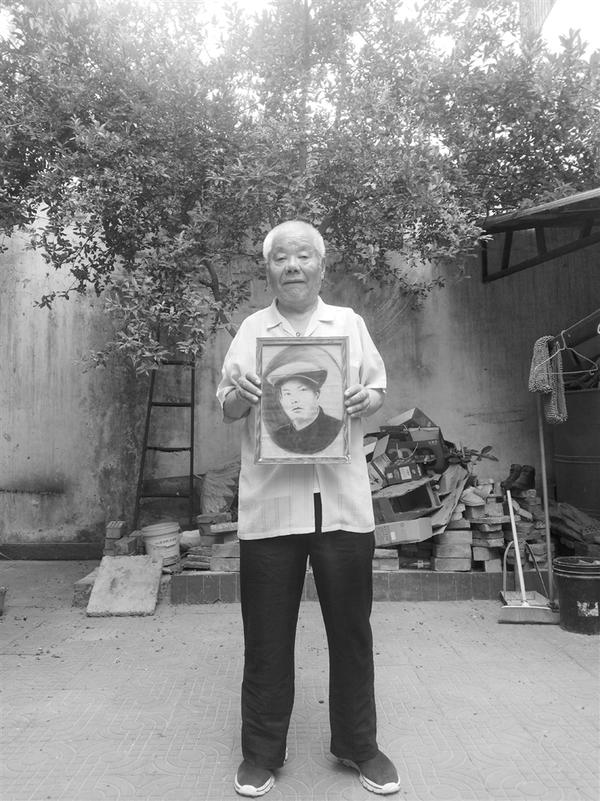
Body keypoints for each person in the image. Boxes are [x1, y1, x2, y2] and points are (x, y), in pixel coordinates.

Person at [216, 220, 400, 797]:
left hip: (342, 507)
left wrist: (365, 398)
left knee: (351, 632)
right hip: (272, 509)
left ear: (321, 266)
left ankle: (358, 745)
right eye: (281, 258)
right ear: (268, 269)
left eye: (303, 256)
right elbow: (227, 405)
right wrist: (239, 397)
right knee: (266, 636)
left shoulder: (347, 324)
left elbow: (376, 390)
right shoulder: (253, 330)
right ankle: (262, 751)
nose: (292, 266)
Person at [265, 355, 342, 454]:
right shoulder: (278, 437)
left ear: (317, 395)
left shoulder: (337, 429)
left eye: (302, 391)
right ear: (281, 400)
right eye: (288, 393)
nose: (295, 400)